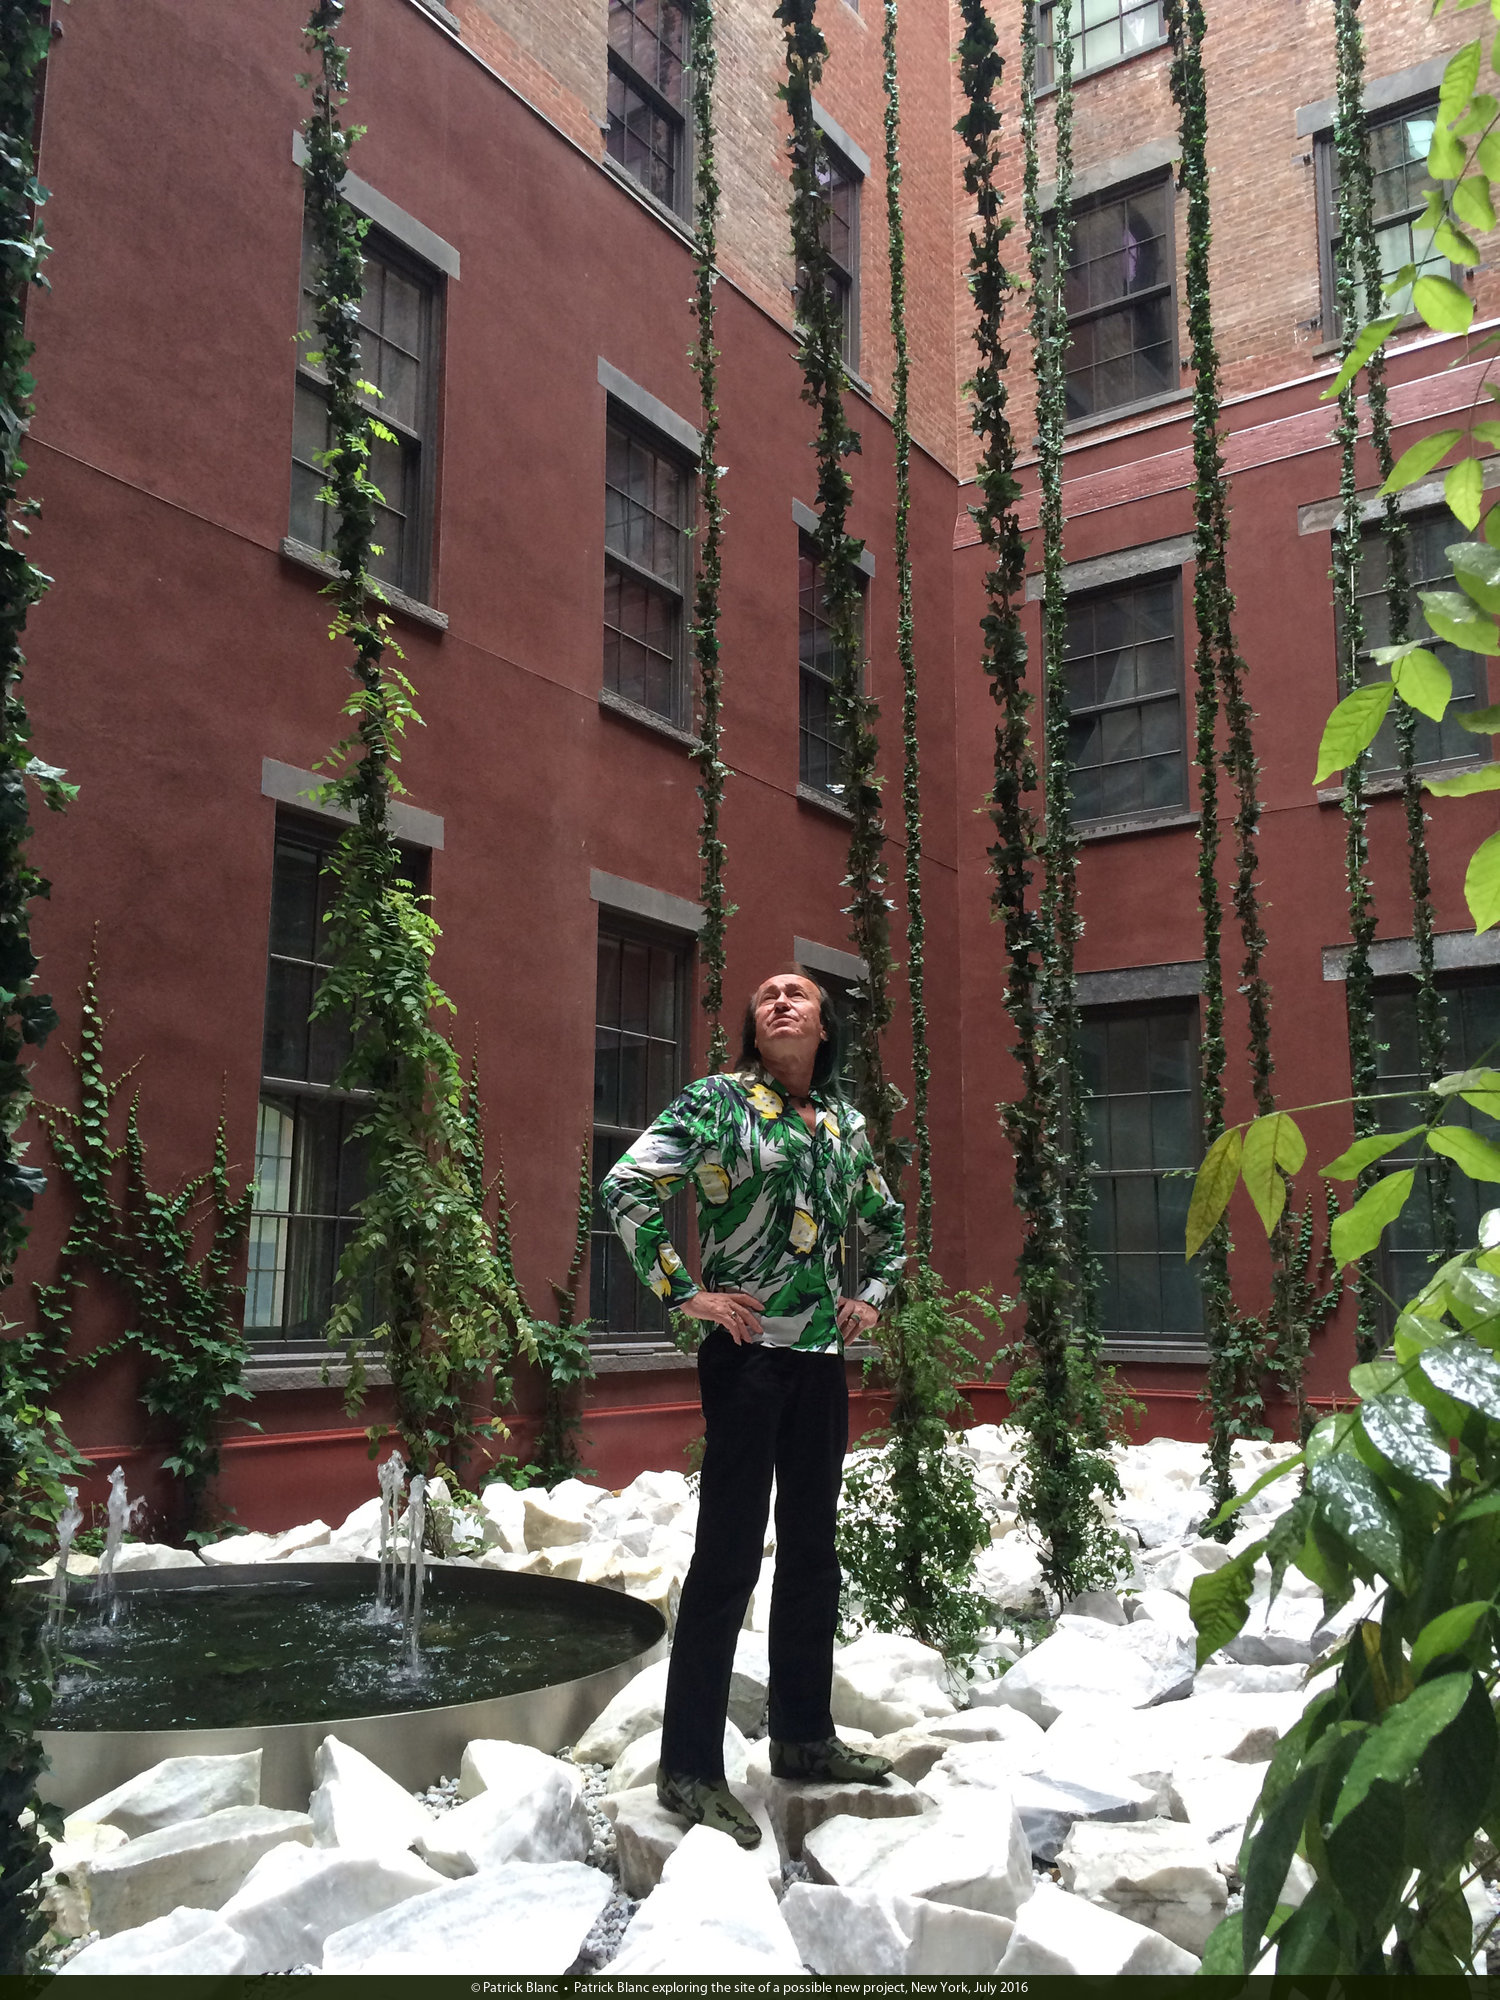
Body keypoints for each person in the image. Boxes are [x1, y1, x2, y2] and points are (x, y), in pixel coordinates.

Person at [598, 966, 905, 1848]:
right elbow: (627, 1185)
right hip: (745, 1358)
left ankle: (803, 1737)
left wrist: (872, 1296)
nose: (780, 1001)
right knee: (728, 1557)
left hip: (820, 1363)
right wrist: (683, 1292)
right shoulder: (718, 1103)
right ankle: (689, 1768)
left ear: (824, 1026)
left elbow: (887, 1225)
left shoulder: (844, 1125)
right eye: (767, 995)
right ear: (753, 1026)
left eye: (797, 994)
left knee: (813, 1552)